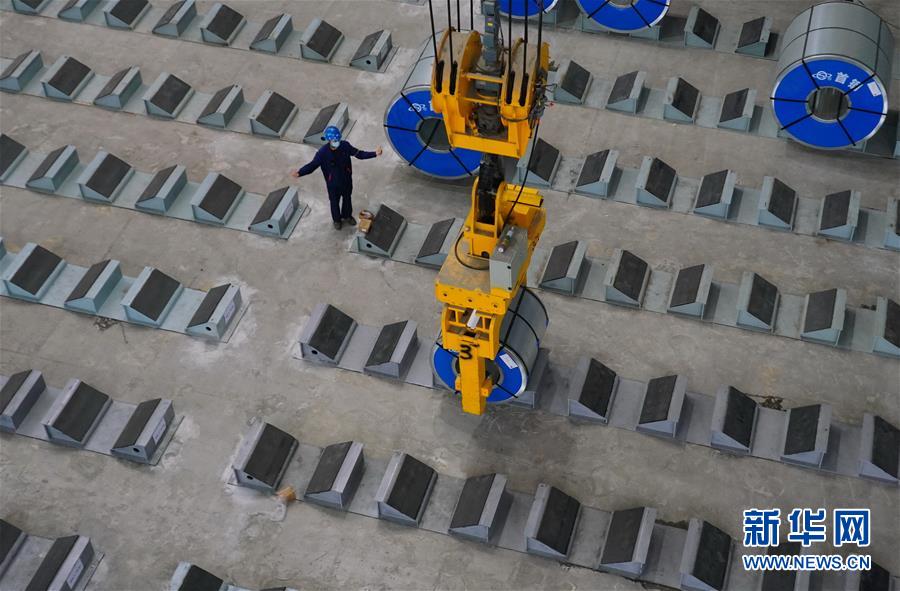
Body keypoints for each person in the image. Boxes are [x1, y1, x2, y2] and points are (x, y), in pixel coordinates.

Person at [291, 126, 383, 230]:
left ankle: (347, 216)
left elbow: (359, 154)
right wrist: (300, 172)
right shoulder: (322, 153)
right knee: (334, 203)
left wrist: (374, 154)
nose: (337, 142)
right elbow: (312, 165)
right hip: (333, 185)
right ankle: (337, 220)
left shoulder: (345, 146)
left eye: (338, 140)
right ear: (329, 140)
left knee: (347, 199)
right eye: (334, 141)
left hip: (346, 180)